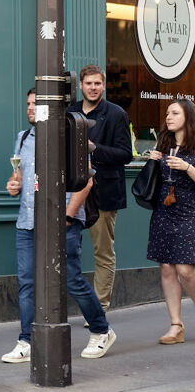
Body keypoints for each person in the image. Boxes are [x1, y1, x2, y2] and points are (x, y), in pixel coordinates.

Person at [2, 89, 115, 364]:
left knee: (71, 279)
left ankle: (102, 331)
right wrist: (12, 185)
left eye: (35, 104)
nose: (30, 108)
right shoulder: (23, 137)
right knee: (27, 283)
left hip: (62, 220)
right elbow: (17, 180)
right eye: (27, 103)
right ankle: (26, 341)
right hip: (28, 221)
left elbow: (87, 180)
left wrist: (67, 215)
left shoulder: (69, 136)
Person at [67, 64, 132, 309]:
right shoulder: (70, 112)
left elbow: (126, 154)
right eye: (89, 83)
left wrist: (94, 148)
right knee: (69, 249)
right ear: (81, 86)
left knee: (103, 252)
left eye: (98, 83)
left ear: (103, 85)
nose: (93, 88)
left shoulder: (116, 113)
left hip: (103, 192)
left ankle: (99, 306)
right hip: (72, 191)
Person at [145, 99, 195, 346]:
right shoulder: (164, 144)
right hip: (164, 210)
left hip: (190, 210)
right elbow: (154, 179)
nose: (169, 117)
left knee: (185, 270)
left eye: (175, 113)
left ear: (188, 116)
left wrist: (187, 167)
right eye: (167, 113)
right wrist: (153, 160)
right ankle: (176, 325)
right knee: (166, 267)